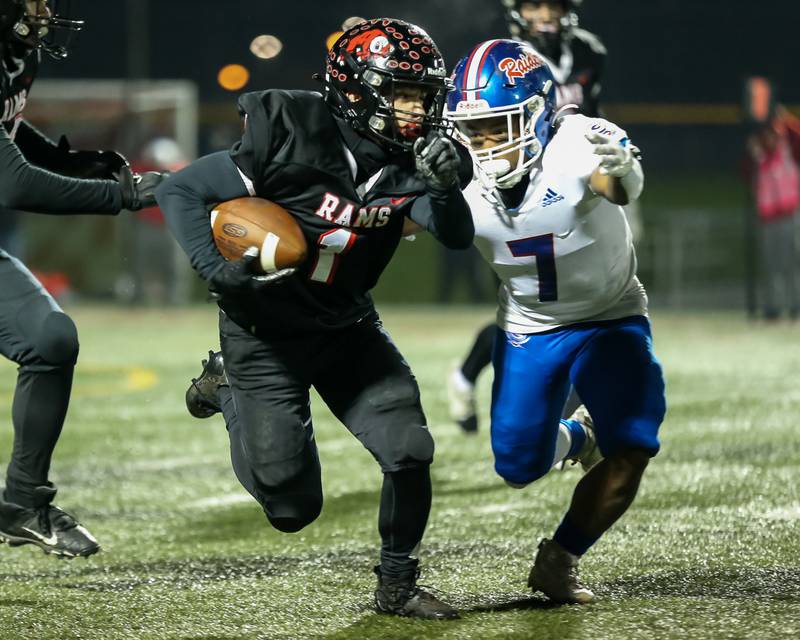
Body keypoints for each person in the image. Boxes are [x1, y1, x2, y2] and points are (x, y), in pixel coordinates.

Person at [156, 18, 472, 619]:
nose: (418, 109)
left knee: (409, 447)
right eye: (404, 92)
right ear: (356, 88)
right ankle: (227, 389)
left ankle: (398, 584)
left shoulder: (422, 159)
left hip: (347, 326)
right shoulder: (290, 126)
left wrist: (449, 190)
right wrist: (216, 270)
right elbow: (182, 191)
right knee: (291, 509)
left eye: (425, 95)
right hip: (262, 333)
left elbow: (454, 236)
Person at [445, 39, 666, 603]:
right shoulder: (453, 170)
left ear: (540, 113)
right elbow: (388, 223)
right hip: (529, 325)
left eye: (499, 126)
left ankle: (561, 557)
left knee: (633, 446)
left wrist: (626, 173)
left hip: (611, 315)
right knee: (517, 466)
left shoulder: (575, 144)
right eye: (476, 130)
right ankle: (578, 436)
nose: (485, 144)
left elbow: (617, 184)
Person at [0, 0, 163, 558]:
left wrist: (73, 162)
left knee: (50, 339)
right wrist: (120, 195)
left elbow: (9, 137)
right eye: (34, 1)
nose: (45, 10)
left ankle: (23, 503)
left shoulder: (12, 55)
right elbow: (13, 185)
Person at [448, 0, 606, 432]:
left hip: (574, 181)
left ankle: (473, 377)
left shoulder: (590, 52)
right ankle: (471, 376)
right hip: (519, 185)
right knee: (540, 304)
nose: (545, 15)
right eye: (535, 5)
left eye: (552, 5)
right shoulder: (504, 57)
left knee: (571, 300)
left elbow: (588, 118)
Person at [744, 107, 800, 320]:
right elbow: (743, 173)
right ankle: (773, 307)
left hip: (789, 215)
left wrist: (786, 121)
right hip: (768, 219)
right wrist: (752, 153)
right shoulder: (758, 159)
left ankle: (796, 306)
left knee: (792, 264)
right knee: (771, 266)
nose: (771, 139)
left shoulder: (789, 153)